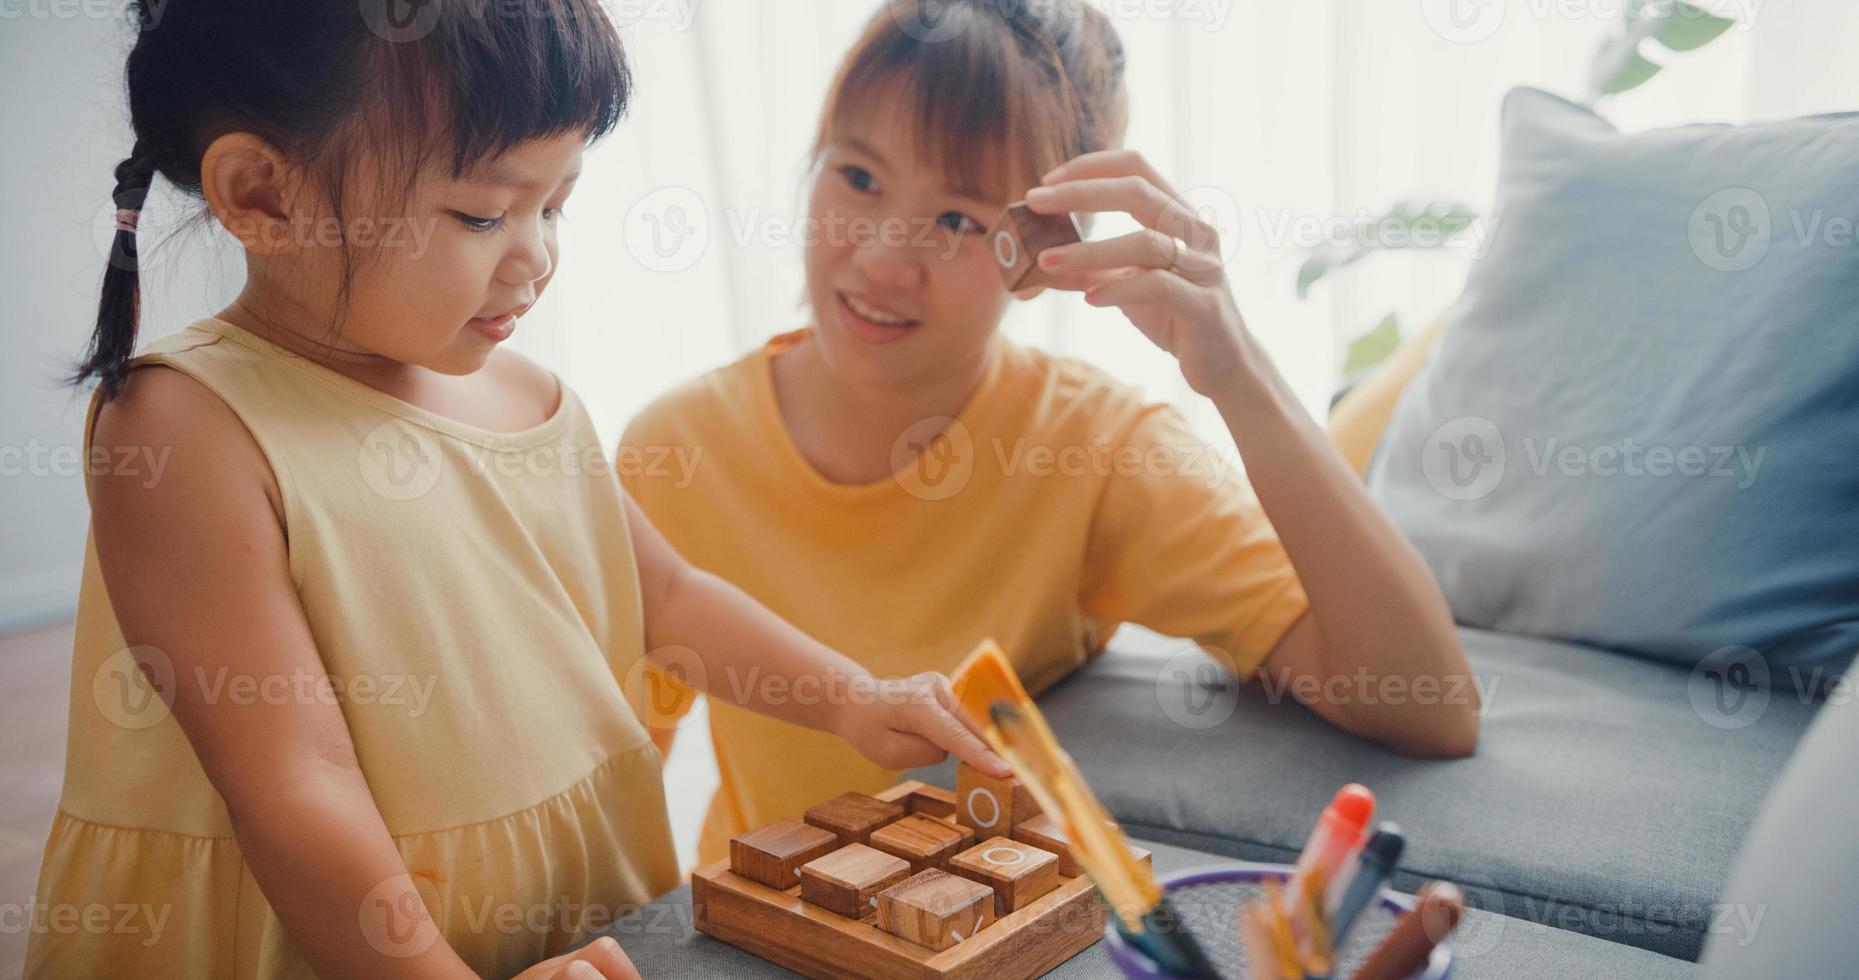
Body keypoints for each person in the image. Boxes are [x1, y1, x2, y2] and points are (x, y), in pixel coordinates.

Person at [28, 3, 1004, 977]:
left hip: (570, 904)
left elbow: (667, 598)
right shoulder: (185, 425)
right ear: (263, 195)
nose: (535, 256)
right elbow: (295, 784)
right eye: (484, 214)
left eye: (555, 205)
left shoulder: (531, 397)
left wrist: (851, 697)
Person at [621, 0, 1481, 868]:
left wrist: (1238, 376)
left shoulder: (1090, 447)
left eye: (957, 220)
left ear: (1041, 254)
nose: (881, 257)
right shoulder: (676, 448)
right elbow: (611, 771)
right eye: (857, 177)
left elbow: (1426, 707)